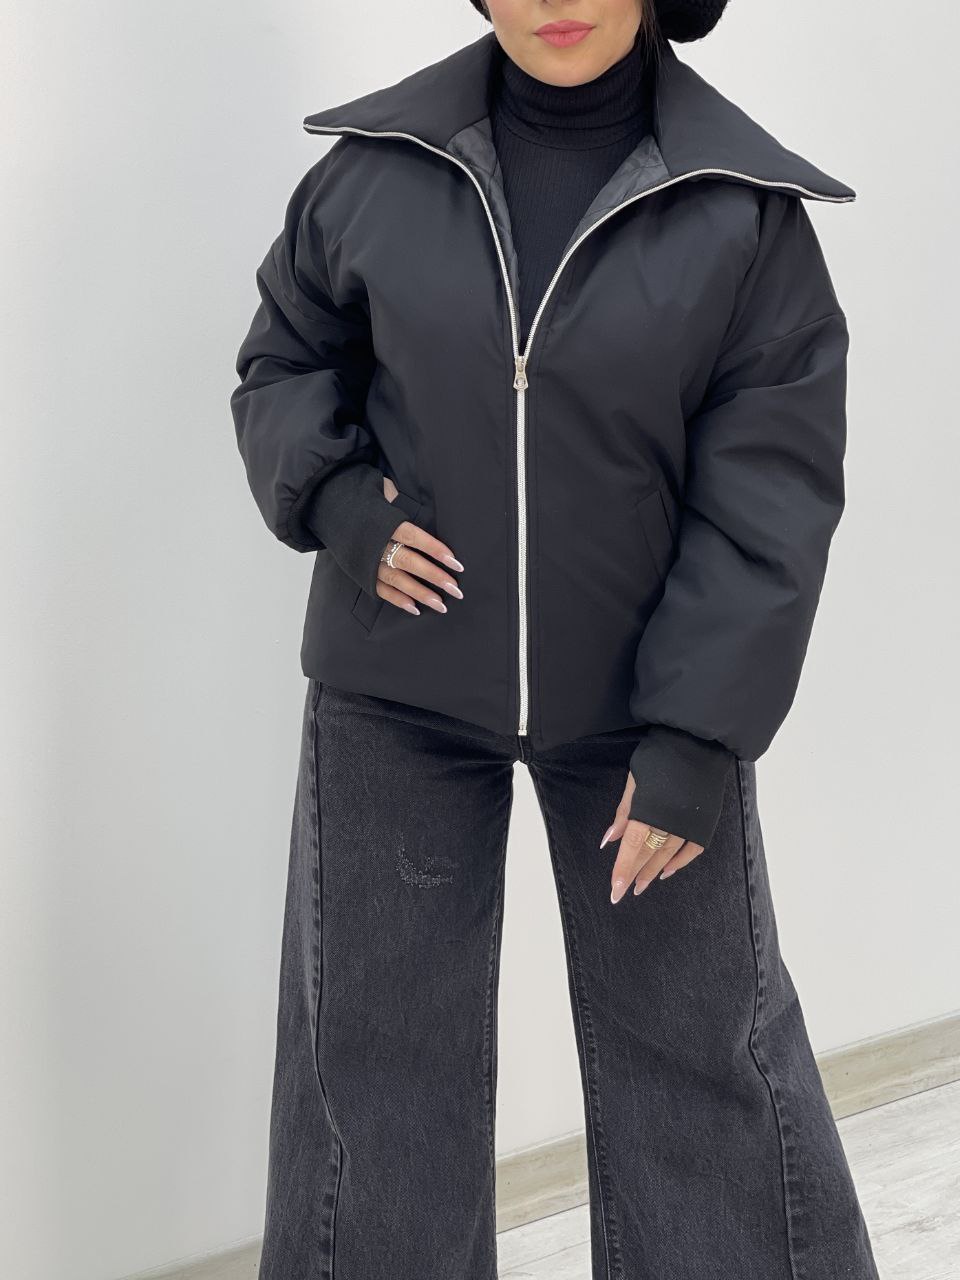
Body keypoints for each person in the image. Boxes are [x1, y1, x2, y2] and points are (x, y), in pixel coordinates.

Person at [229, 2, 879, 1276]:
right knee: (371, 1071)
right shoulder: (374, 172)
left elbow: (770, 496)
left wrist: (697, 735)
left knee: (703, 1058)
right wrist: (343, 504)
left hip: (645, 707)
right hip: (394, 689)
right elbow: (283, 363)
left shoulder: (741, 213)